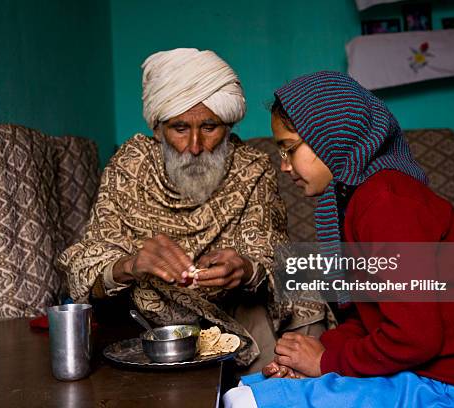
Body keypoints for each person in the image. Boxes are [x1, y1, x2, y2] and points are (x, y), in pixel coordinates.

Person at [223, 71, 454, 407]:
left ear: (329, 136)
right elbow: (374, 320)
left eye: (289, 149)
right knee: (248, 388)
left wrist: (325, 363)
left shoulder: (387, 202)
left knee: (249, 402)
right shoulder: (360, 200)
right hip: (423, 374)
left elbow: (415, 337)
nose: (284, 166)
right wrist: (315, 356)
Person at [57, 49, 333, 370]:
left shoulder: (251, 167)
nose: (195, 147)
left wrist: (244, 269)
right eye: (179, 128)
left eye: (210, 127)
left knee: (304, 281)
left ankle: (282, 386)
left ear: (228, 127)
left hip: (236, 311)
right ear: (158, 130)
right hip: (152, 325)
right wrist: (131, 265)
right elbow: (84, 265)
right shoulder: (130, 166)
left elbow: (270, 255)